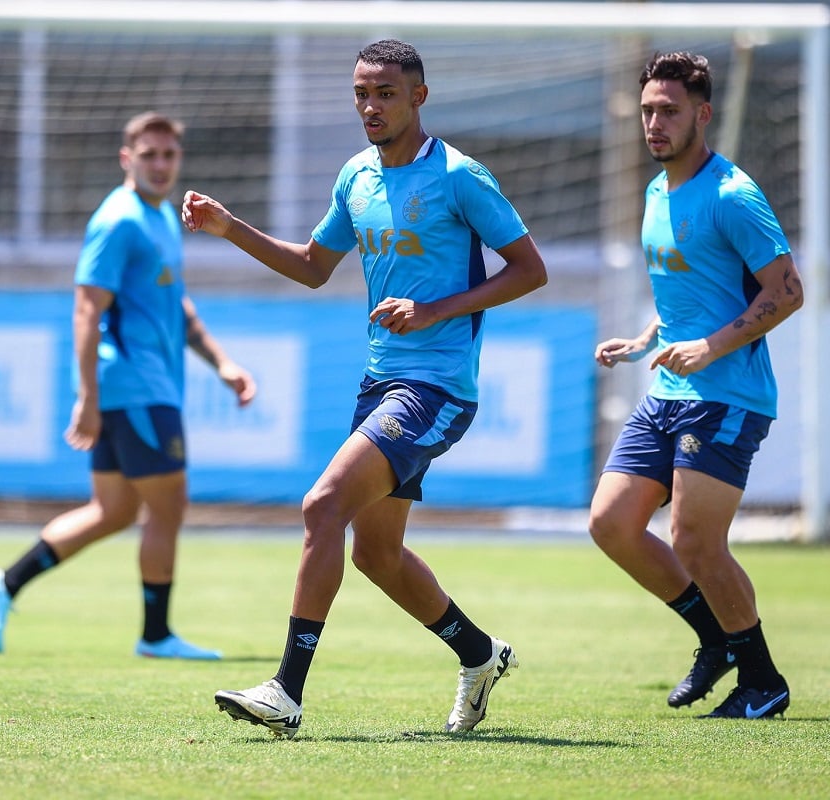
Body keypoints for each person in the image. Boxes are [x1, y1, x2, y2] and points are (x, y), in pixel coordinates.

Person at [181, 39, 547, 738]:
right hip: (381, 382)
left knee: (322, 504)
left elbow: (530, 269)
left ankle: (286, 691)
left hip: (437, 388)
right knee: (376, 554)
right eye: (360, 93)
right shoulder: (356, 176)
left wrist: (435, 310)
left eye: (384, 93)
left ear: (419, 97)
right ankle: (480, 655)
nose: (370, 106)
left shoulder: (460, 176)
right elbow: (315, 266)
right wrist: (231, 229)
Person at [0, 111, 256, 661]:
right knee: (168, 507)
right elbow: (85, 308)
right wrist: (88, 397)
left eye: (168, 155)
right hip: (136, 388)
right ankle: (156, 636)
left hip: (141, 387)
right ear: (127, 159)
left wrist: (220, 363)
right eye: (148, 155)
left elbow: (175, 305)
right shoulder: (120, 220)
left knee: (115, 512)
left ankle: (4, 584)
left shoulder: (163, 217)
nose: (160, 164)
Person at [589, 52, 803, 719]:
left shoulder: (733, 194)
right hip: (669, 392)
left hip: (728, 394)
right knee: (611, 523)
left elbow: (789, 290)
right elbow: (693, 288)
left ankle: (763, 678)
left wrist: (710, 346)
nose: (655, 123)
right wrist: (647, 339)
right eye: (648, 110)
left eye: (669, 111)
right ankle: (716, 640)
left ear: (702, 115)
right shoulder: (659, 191)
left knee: (693, 540)